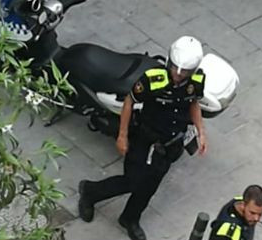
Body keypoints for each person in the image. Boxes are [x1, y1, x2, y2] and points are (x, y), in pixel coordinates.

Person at [79, 36, 209, 240]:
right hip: (145, 138)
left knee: (150, 185)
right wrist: (122, 136)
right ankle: (90, 191)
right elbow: (130, 102)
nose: (178, 74)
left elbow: (193, 103)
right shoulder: (153, 79)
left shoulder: (197, 80)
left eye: (185, 71)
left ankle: (130, 218)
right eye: (175, 68)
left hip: (170, 144)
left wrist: (201, 131)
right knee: (132, 180)